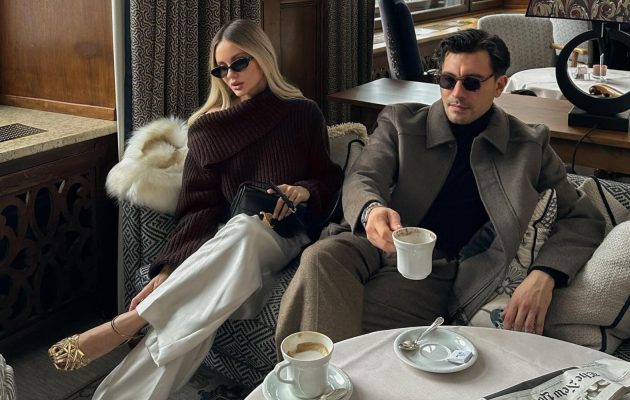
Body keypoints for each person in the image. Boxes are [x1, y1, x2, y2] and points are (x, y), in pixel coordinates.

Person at [48, 19, 342, 399]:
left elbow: (328, 179)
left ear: (263, 57)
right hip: (230, 245)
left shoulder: (302, 113)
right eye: (221, 69)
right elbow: (198, 207)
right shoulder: (207, 129)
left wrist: (302, 190)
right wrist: (169, 268)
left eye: (240, 63)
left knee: (247, 229)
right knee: (197, 311)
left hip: (284, 236)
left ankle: (133, 320)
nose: (230, 75)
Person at [276, 29, 605, 348]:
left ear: (499, 85)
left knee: (340, 325)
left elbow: (583, 218)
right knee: (319, 256)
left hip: (432, 269)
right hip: (372, 243)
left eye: (471, 83)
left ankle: (312, 376)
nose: (457, 93)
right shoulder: (401, 122)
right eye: (447, 80)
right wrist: (371, 210)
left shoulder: (529, 146)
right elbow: (363, 175)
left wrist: (545, 275)